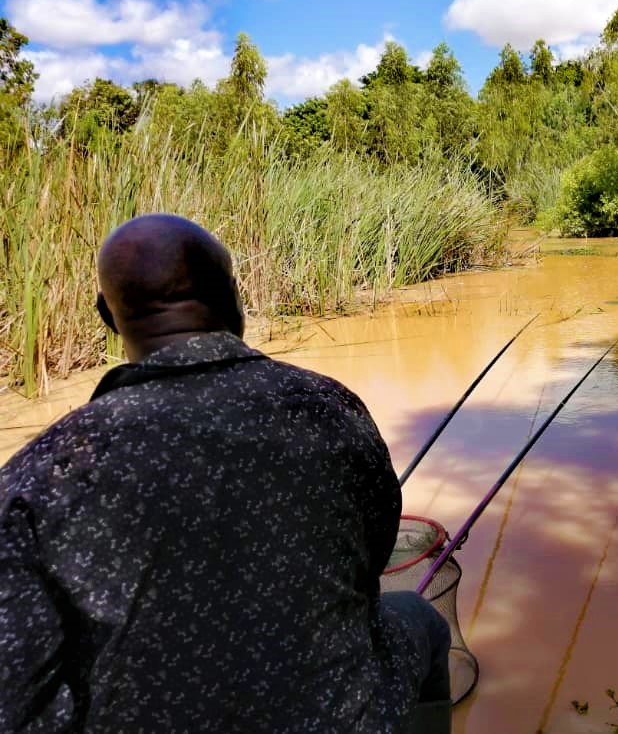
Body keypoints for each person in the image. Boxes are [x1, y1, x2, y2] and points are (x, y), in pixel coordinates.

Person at [0, 214, 450, 734]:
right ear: (236, 297)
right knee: (420, 621)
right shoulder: (330, 408)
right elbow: (373, 556)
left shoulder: (41, 474)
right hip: (340, 714)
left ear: (108, 315)